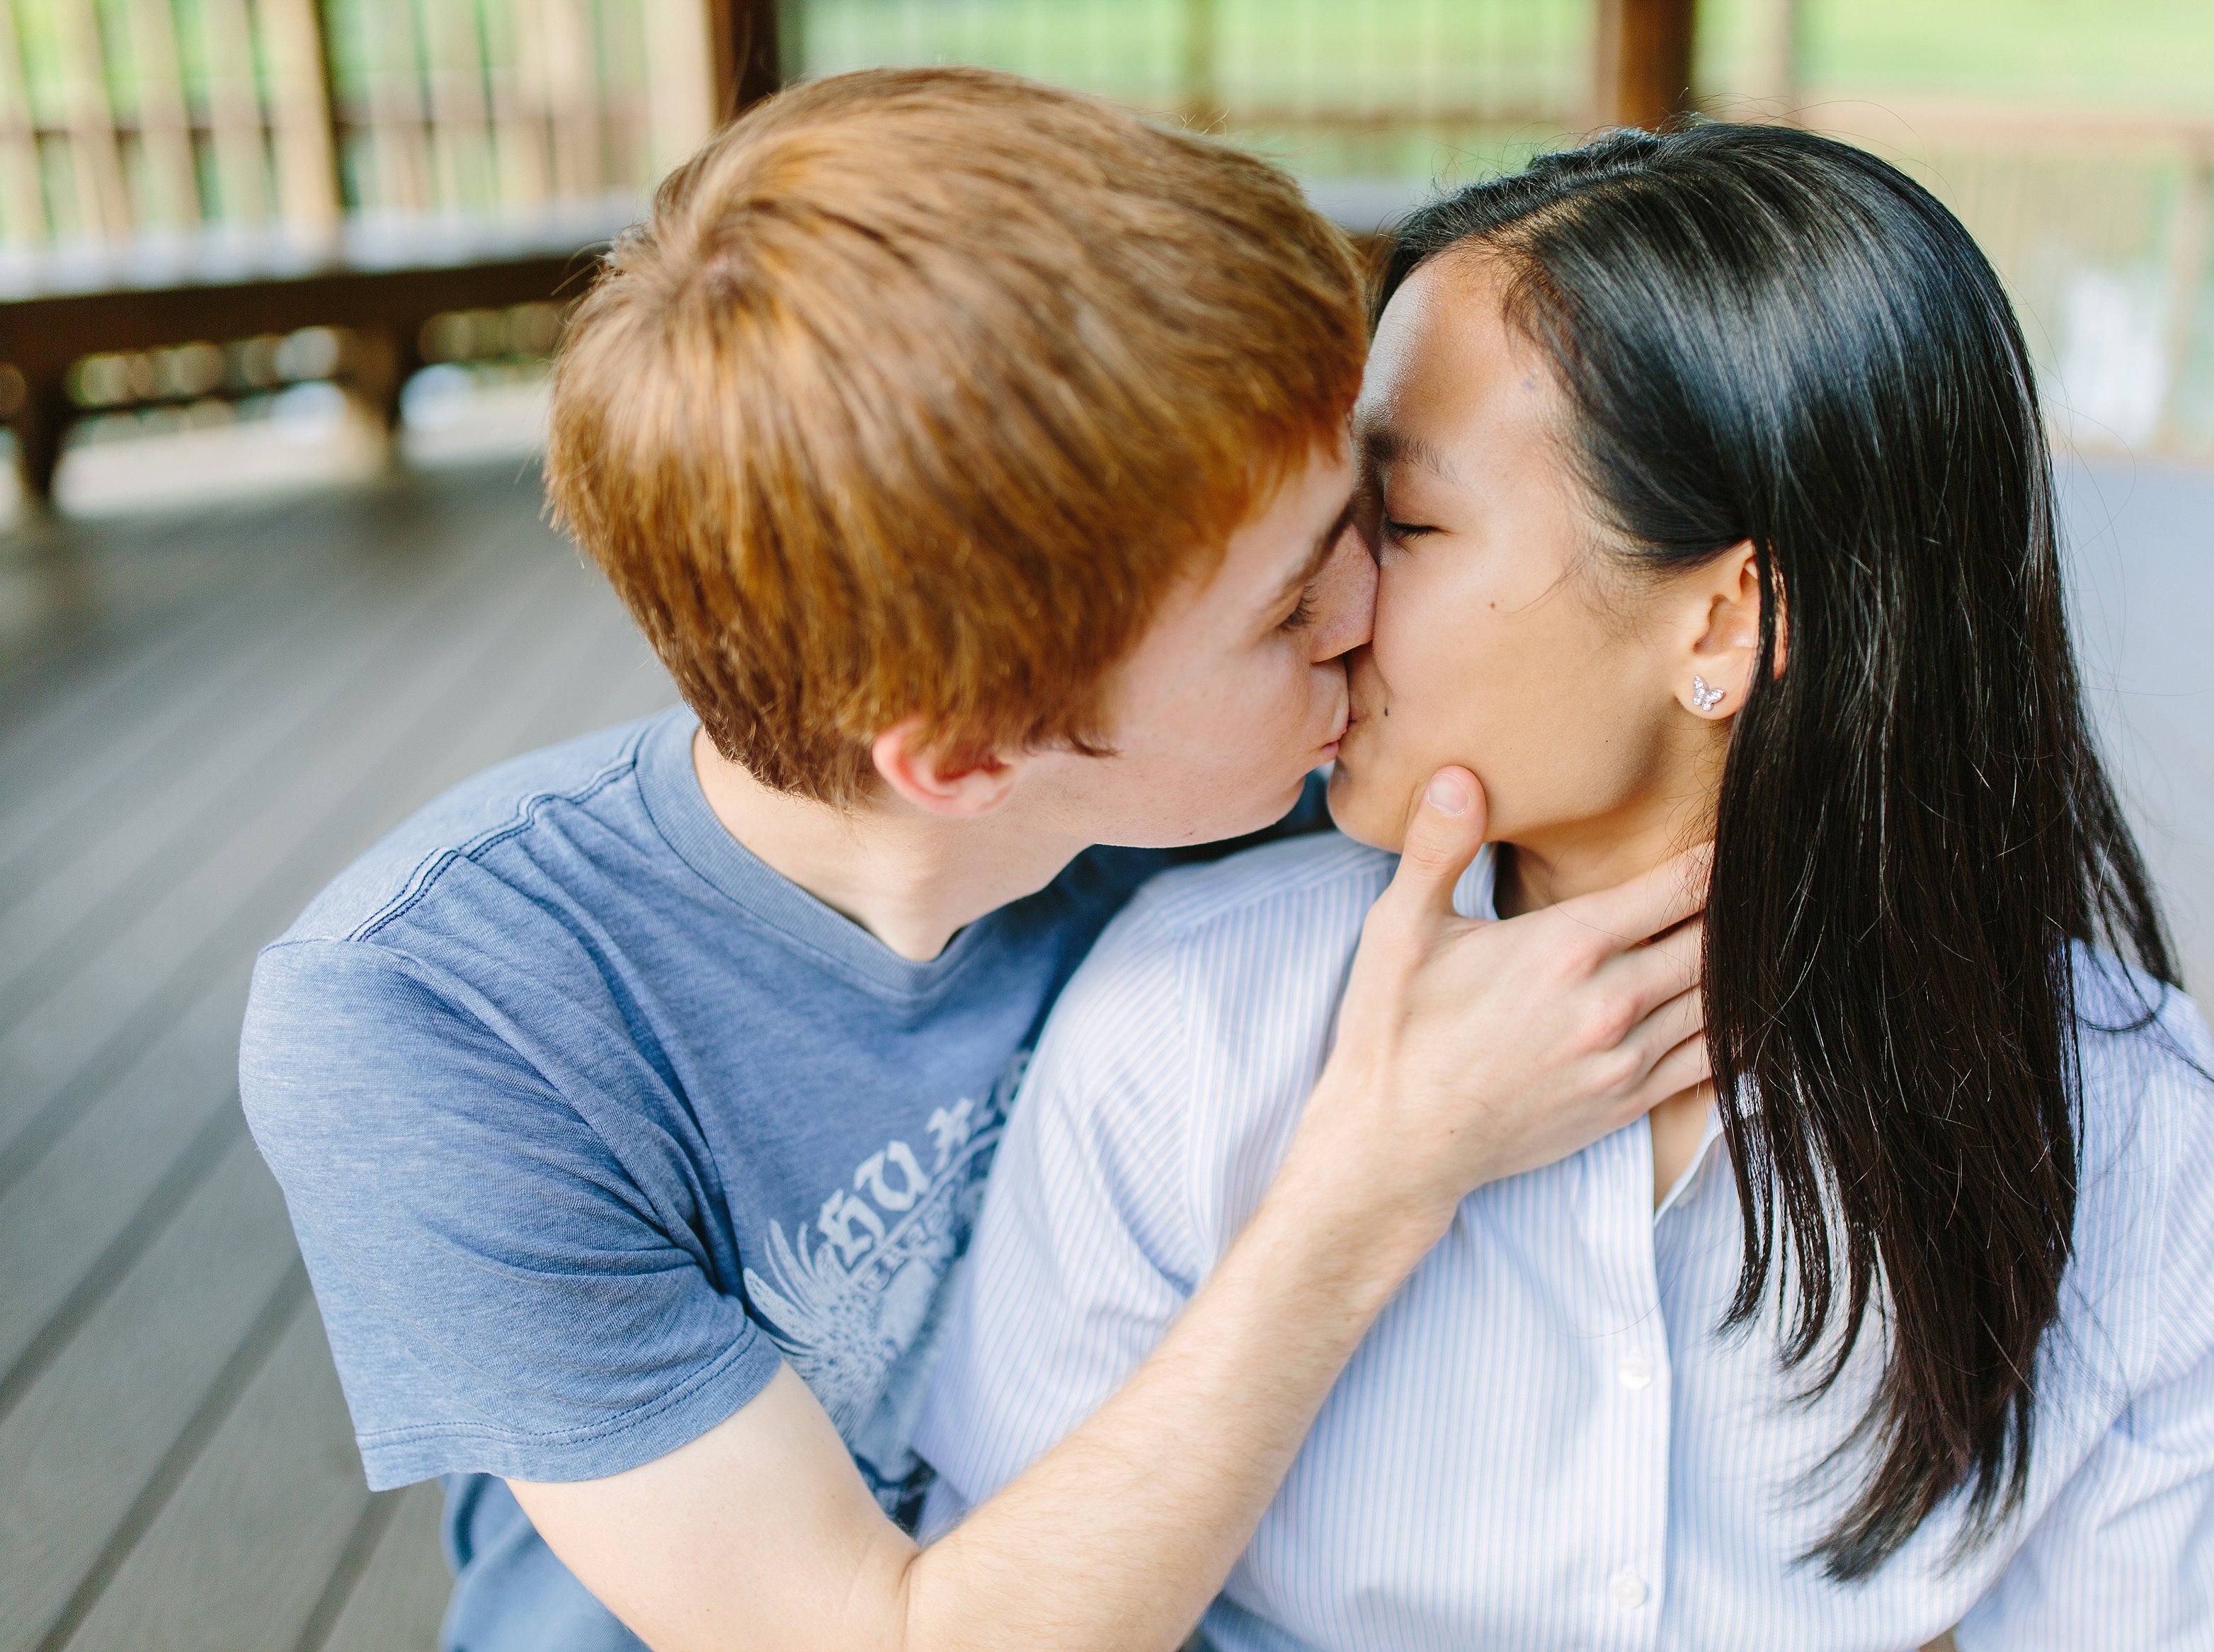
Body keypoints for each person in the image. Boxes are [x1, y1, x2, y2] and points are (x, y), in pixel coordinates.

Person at [238, 69, 1710, 1652]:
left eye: (1367, 520)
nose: (1367, 619)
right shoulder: (443, 1018)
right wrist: (1379, 1174)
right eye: (1285, 613)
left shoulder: (1268, 772)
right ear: (965, 758)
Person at [916, 125, 2214, 1651]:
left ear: (1724, 622)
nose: (1324, 598)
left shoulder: (2127, 1139)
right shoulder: (1188, 1027)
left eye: (1408, 524)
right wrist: (1364, 1191)